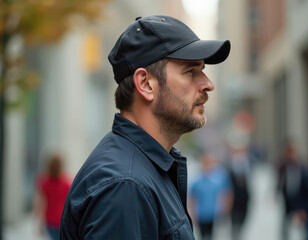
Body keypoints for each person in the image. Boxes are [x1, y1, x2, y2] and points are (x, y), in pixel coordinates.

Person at [59, 15, 230, 240]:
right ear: (145, 84)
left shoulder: (146, 169)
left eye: (203, 70)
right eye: (191, 72)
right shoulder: (125, 187)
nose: (208, 84)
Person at [189, 154, 233, 240]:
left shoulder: (218, 179)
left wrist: (226, 209)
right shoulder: (197, 181)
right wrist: (192, 213)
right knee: (203, 235)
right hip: (201, 214)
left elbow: (226, 193)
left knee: (211, 235)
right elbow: (192, 198)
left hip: (213, 213)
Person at [33, 154, 72, 240]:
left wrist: (39, 222)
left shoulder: (44, 182)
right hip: (62, 219)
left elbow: (39, 204)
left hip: (50, 220)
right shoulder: (66, 182)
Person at [276, 141, 304, 240]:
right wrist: (278, 190)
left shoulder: (298, 162)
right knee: (287, 216)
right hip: (287, 193)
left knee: (297, 215)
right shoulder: (284, 162)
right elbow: (280, 178)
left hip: (297, 193)